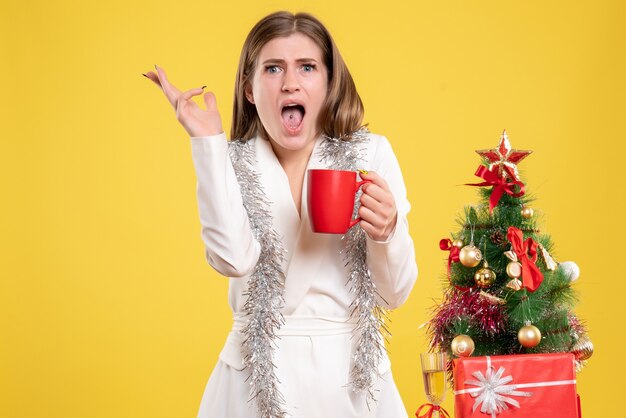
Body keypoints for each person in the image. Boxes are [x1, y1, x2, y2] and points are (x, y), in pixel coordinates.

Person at [144, 11, 417, 418]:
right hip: (253, 382)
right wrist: (207, 146)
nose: (290, 82)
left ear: (327, 84)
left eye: (307, 67)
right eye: (273, 69)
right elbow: (233, 260)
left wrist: (387, 233)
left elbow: (393, 295)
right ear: (250, 90)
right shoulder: (230, 161)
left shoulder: (370, 154)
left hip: (350, 382)